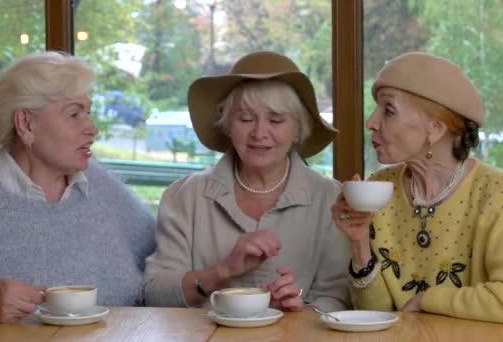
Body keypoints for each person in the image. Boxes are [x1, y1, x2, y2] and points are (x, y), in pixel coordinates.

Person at [0, 52, 156, 323]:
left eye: (88, 113)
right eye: (75, 114)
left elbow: (161, 262)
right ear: (26, 124)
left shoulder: (101, 187)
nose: (92, 128)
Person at [144, 51, 351, 312]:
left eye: (276, 120)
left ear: (298, 129)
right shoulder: (185, 196)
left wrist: (299, 310)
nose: (259, 133)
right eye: (245, 118)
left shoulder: (330, 198)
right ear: (227, 124)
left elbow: (340, 298)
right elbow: (154, 293)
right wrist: (222, 271)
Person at [332, 52, 503, 323]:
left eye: (388, 110)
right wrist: (359, 243)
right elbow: (377, 315)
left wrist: (428, 300)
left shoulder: (500, 195)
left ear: (434, 128)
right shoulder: (379, 189)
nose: (370, 122)